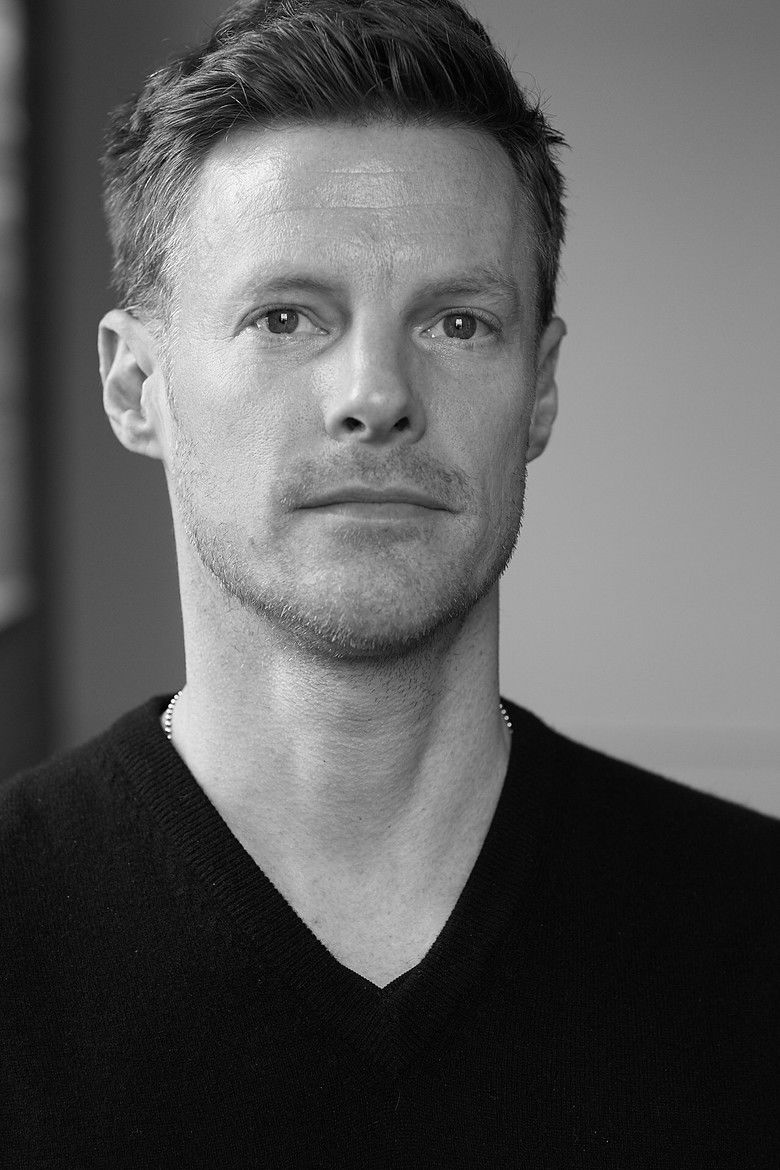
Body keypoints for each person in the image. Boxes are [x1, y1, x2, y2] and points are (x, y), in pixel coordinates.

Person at [2, 0, 778, 1164]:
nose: (376, 393)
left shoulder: (754, 934)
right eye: (284, 317)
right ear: (134, 387)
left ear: (541, 390)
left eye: (458, 322)